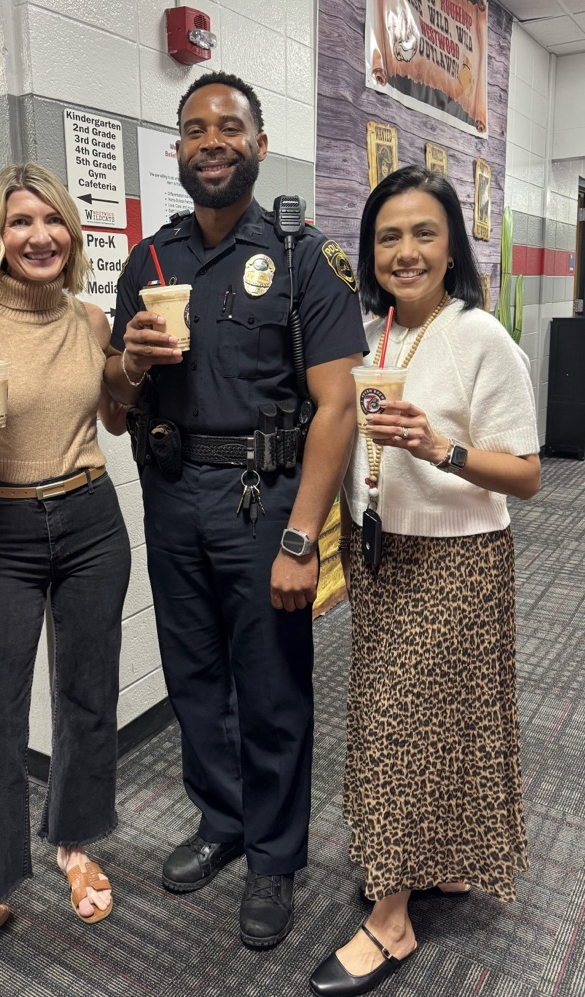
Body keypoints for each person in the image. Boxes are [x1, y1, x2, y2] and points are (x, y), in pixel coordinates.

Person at [106, 71, 366, 949]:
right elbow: (111, 399)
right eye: (193, 129)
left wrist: (302, 537)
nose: (210, 140)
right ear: (176, 149)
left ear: (258, 143)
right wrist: (132, 363)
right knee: (194, 679)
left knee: (273, 687)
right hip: (172, 492)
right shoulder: (147, 261)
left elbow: (338, 405)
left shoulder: (304, 256)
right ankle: (221, 820)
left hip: (264, 503)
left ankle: (274, 857)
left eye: (229, 127)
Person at [308, 165, 540, 996]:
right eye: (388, 237)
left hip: (456, 560)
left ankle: (392, 916)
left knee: (403, 724)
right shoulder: (377, 336)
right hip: (382, 555)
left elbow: (526, 475)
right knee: (416, 717)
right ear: (371, 253)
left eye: (423, 234)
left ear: (452, 249)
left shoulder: (481, 337)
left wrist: (439, 447)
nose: (405, 251)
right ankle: (440, 859)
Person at [0, 163, 131, 996]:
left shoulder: (89, 318)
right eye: (19, 222)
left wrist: (133, 371)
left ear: (71, 234)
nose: (38, 235)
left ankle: (76, 843)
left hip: (89, 520)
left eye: (52, 220)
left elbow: (113, 416)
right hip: (3, 528)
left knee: (87, 696)